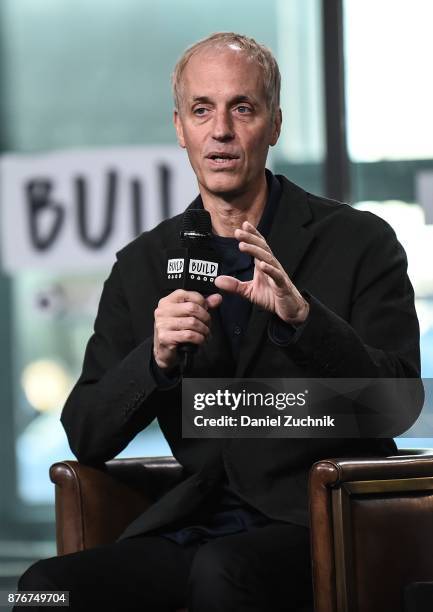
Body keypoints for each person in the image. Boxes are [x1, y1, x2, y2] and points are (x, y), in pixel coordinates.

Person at [15, 32, 420, 612]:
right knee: (43, 592)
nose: (221, 130)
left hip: (314, 523)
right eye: (202, 110)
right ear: (180, 128)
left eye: (242, 108)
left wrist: (304, 321)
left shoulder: (358, 242)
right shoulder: (145, 264)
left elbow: (398, 405)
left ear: (274, 124)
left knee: (221, 576)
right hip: (194, 521)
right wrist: (152, 359)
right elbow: (87, 432)